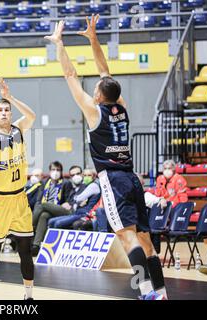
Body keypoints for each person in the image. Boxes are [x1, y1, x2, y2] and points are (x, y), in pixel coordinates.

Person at [45, 15, 167, 300]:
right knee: (146, 241)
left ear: (99, 96)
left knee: (126, 237)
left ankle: (145, 291)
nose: (95, 89)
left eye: (97, 89)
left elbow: (70, 76)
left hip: (112, 180)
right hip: (133, 180)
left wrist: (59, 44)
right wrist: (93, 39)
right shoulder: (121, 107)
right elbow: (105, 71)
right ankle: (160, 293)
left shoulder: (93, 110)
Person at [0, 78, 36, 300]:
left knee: (25, 250)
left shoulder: (19, 129)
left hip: (19, 199)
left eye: (6, 110)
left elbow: (32, 116)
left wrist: (10, 97)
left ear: (10, 113)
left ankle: (28, 296)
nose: (3, 113)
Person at [31, 162, 74, 255]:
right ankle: (36, 246)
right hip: (47, 210)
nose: (55, 172)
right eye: (53, 170)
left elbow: (69, 200)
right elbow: (38, 200)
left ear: (61, 172)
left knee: (43, 205)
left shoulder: (66, 183)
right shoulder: (44, 182)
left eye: (58, 170)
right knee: (43, 215)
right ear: (49, 171)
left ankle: (30, 226)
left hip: (61, 209)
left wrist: (68, 203)